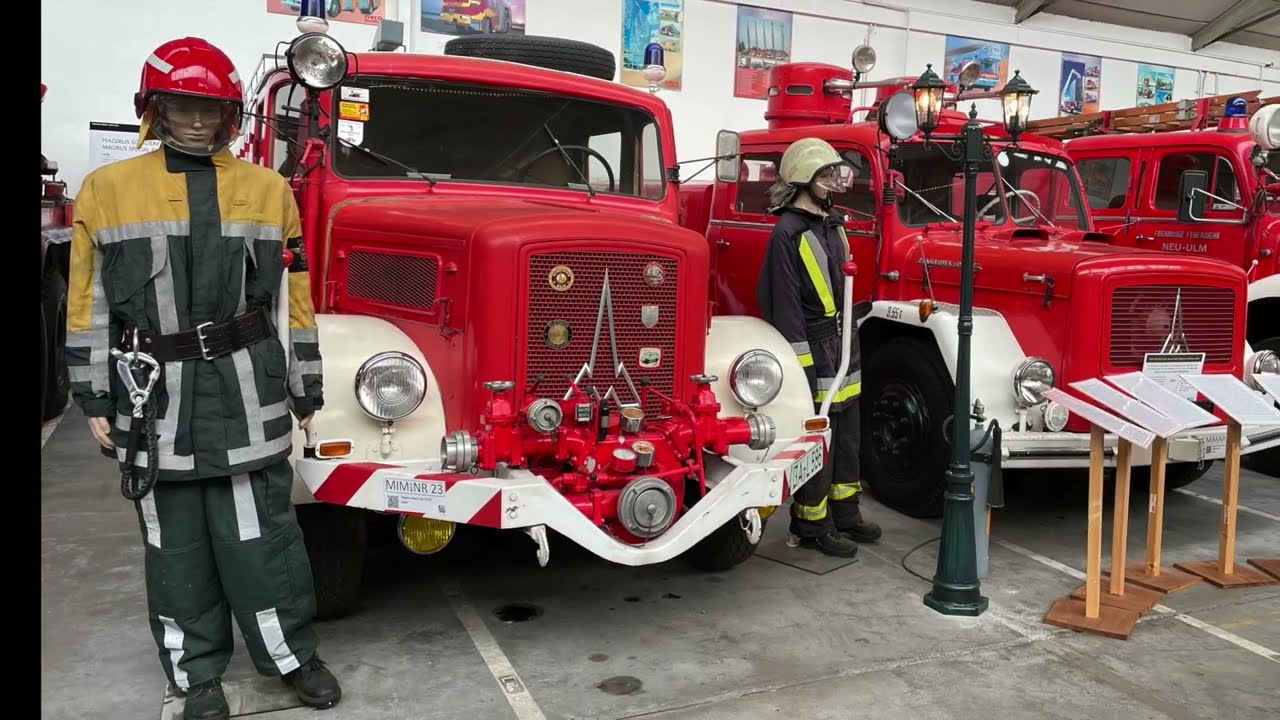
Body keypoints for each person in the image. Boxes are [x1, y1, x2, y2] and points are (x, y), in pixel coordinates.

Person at [64, 37, 341, 720]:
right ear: (153, 110)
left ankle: (292, 655)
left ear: (232, 117)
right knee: (175, 547)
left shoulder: (268, 190)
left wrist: (306, 385)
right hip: (152, 399)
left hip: (247, 391)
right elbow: (87, 299)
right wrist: (91, 391)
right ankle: (196, 677)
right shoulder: (108, 191)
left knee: (264, 538)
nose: (196, 122)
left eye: (211, 110)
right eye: (182, 107)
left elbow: (290, 298)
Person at [756, 137, 882, 558]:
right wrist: (802, 367)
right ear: (803, 179)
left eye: (834, 174)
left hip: (844, 342)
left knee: (848, 432)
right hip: (814, 346)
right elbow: (785, 306)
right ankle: (812, 523)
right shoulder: (786, 233)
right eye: (825, 175)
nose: (833, 181)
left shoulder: (832, 224)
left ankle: (846, 511)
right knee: (819, 438)